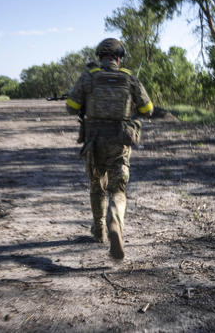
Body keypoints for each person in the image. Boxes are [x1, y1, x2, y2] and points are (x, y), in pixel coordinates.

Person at [65, 38, 153, 259]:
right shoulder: (129, 78)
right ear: (119, 58)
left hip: (94, 141)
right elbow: (148, 108)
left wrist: (86, 101)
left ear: (100, 57)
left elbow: (71, 107)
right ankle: (115, 222)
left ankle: (100, 229)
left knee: (97, 185)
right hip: (119, 141)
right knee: (118, 190)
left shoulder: (88, 77)